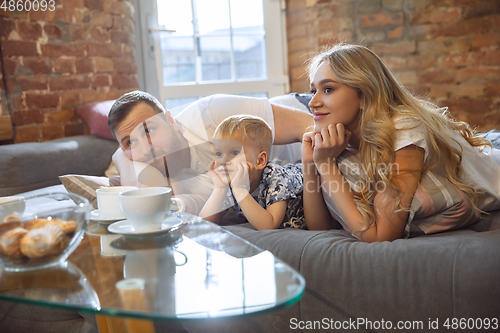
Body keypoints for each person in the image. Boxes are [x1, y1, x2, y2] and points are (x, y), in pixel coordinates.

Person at [301, 43, 500, 243]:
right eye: (313, 91)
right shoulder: (332, 142)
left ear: (365, 95)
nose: (312, 102)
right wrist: (311, 163)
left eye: (327, 89)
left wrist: (326, 166)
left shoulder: (404, 130)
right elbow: (321, 227)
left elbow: (380, 237)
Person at [107, 91, 312, 213]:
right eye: (130, 143)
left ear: (170, 120)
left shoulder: (210, 115)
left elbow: (306, 126)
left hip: (308, 108)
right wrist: (120, 158)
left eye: (148, 130)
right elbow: (150, 203)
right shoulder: (161, 178)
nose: (146, 149)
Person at [199, 115, 305, 230]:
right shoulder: (230, 181)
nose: (223, 161)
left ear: (260, 161)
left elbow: (269, 225)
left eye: (234, 152)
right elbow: (202, 224)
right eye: (219, 154)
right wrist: (219, 188)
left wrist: (240, 189)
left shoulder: (276, 177)